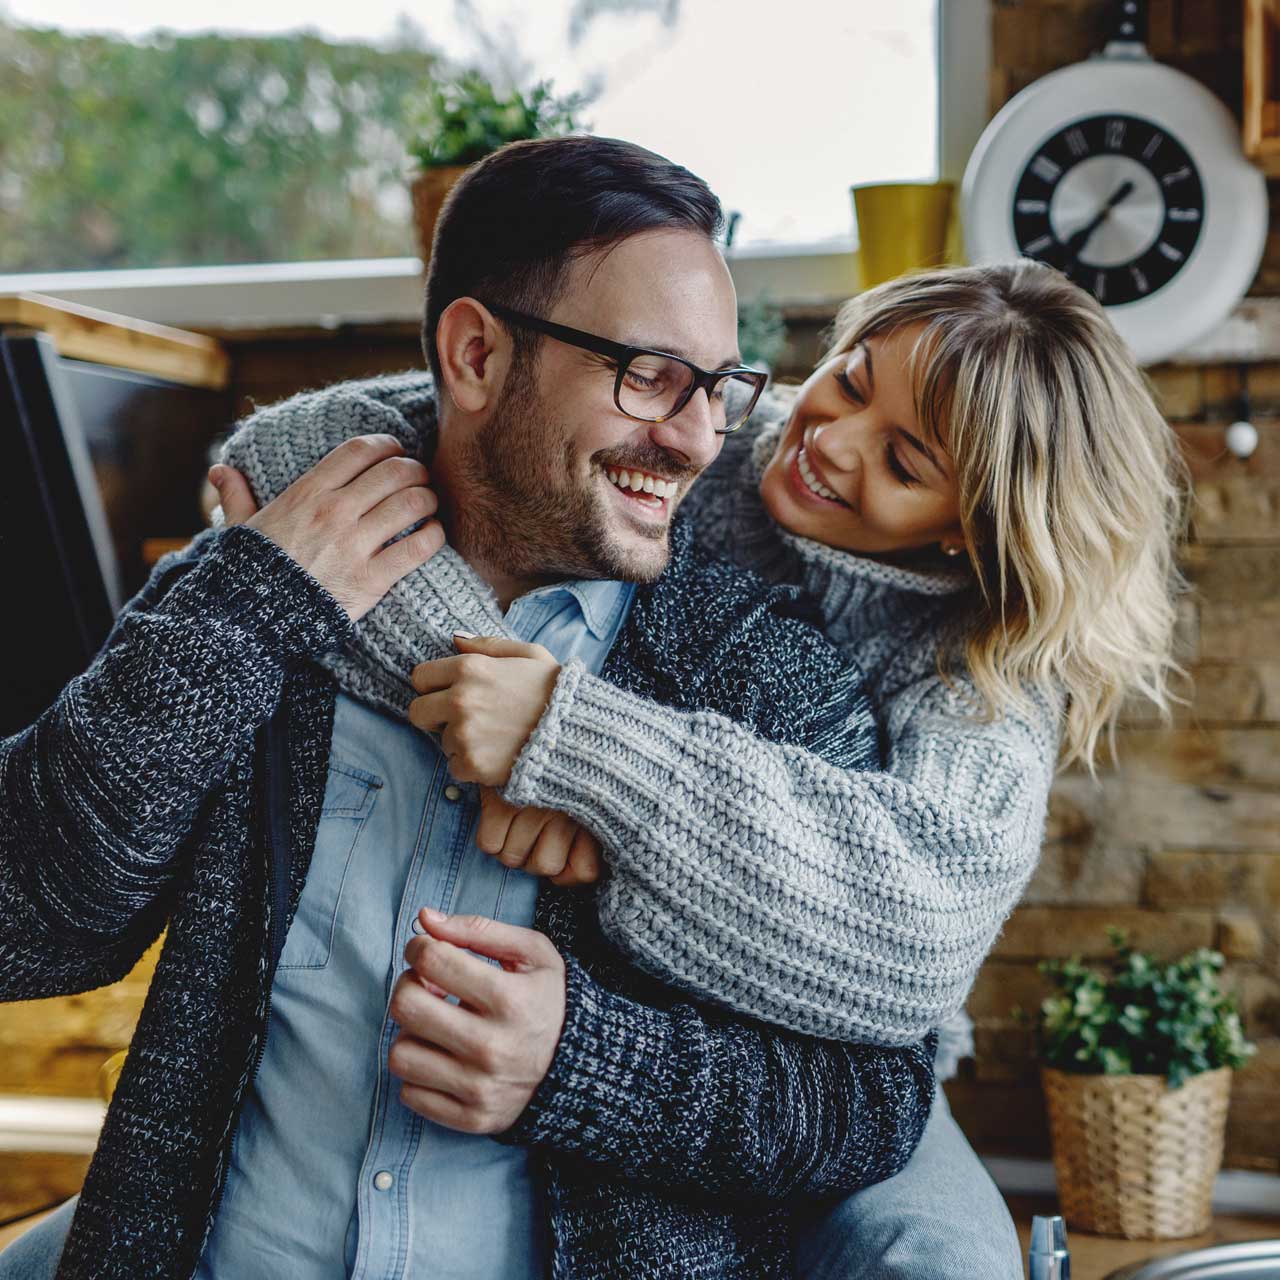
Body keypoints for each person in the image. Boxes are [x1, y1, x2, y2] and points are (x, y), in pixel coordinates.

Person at [0, 136, 938, 1280]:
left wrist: (586, 1064)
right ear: (477, 353)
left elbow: (874, 1097)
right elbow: (30, 922)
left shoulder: (760, 680)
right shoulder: (261, 585)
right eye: (648, 375)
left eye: (718, 387)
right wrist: (243, 609)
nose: (696, 438)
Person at [355, 260, 1190, 1279]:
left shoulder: (986, 665)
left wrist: (581, 757)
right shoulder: (717, 432)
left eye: (905, 459)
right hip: (582, 949)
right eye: (849, 376)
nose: (826, 441)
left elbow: (913, 939)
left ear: (968, 525)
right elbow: (319, 444)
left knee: (947, 1257)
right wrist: (488, 711)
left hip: (831, 1031)